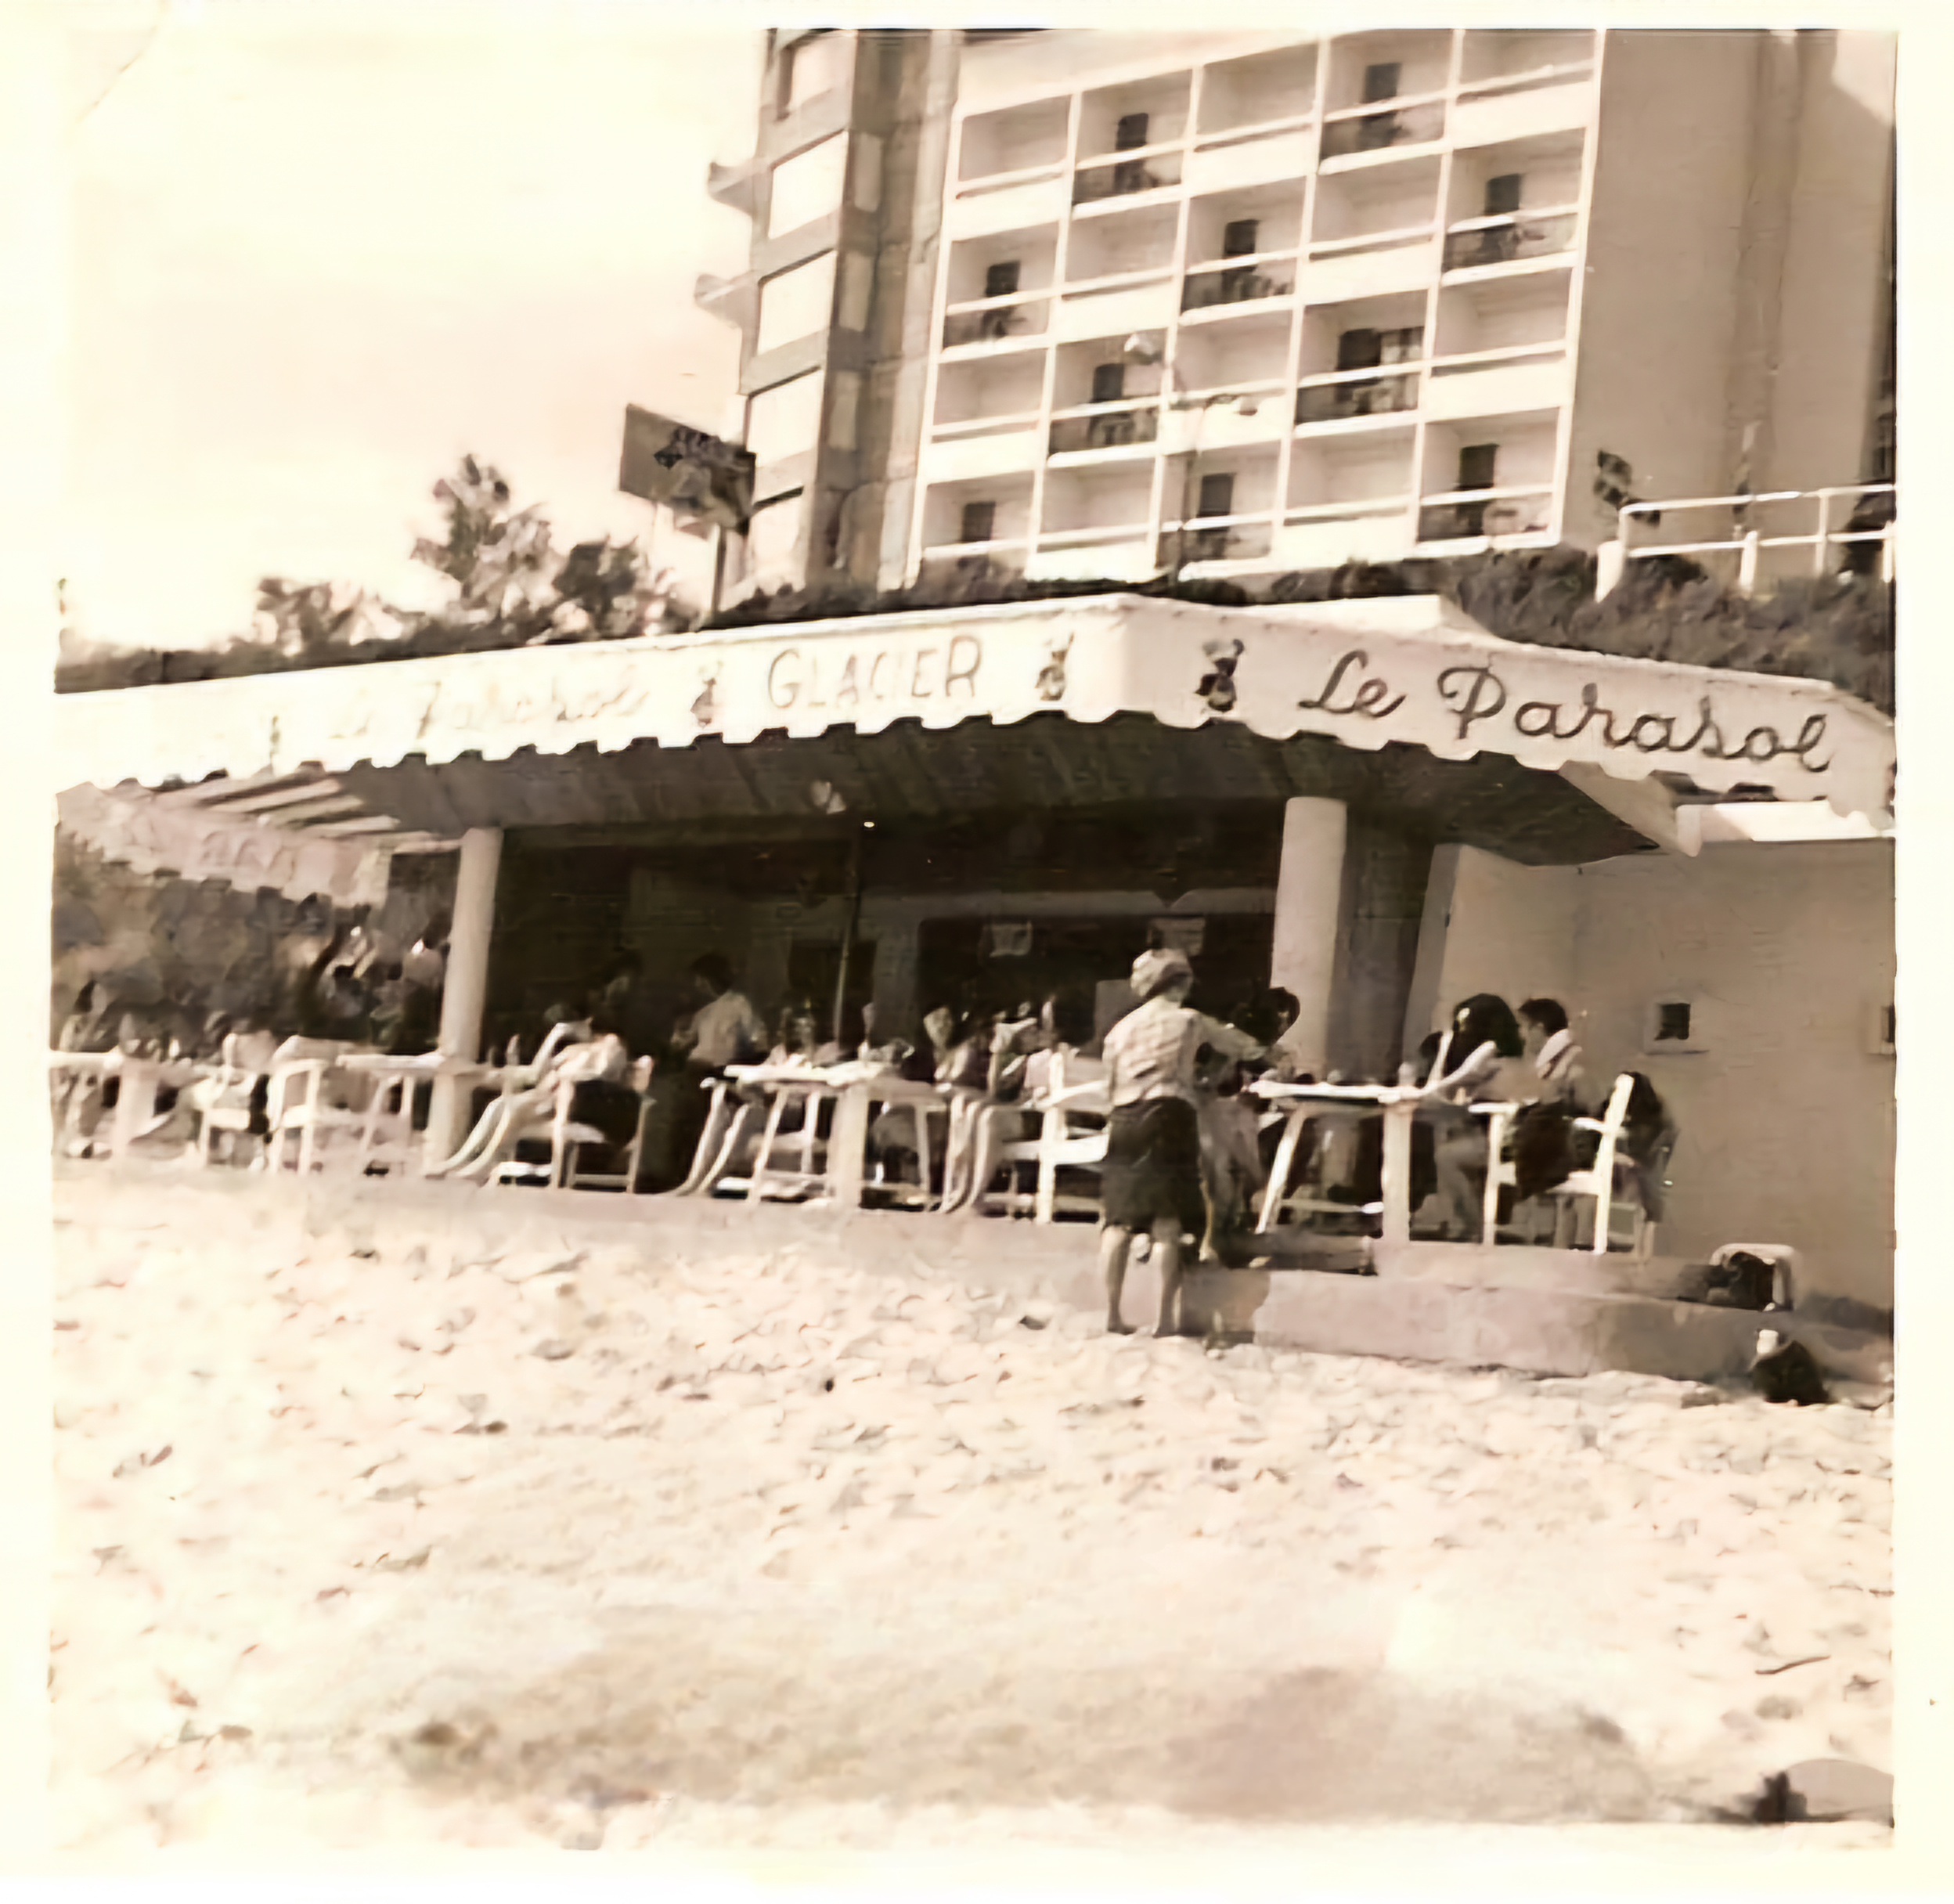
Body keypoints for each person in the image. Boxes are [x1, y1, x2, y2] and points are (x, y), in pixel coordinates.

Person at [1098, 948, 1264, 1336]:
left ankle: (1111, 1315)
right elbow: (1242, 1046)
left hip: (1123, 1120)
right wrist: (1268, 1051)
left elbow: (1110, 1087)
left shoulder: (1118, 1031)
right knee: (1166, 1224)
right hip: (1167, 1117)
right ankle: (1163, 1320)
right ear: (1181, 983)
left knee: (1117, 1224)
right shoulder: (1188, 1020)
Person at [1415, 994, 1536, 1240]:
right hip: (1508, 1137)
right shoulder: (1510, 1053)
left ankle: (1470, 1226)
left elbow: (1439, 1089)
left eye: (1465, 1024)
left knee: (1446, 1154)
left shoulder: (1488, 1053)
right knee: (1450, 1136)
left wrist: (1446, 1047)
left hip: (1505, 1142)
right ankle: (1463, 1221)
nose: (1461, 1032)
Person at [669, 953, 766, 1188]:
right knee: (681, 1119)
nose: (699, 986)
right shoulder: (703, 1013)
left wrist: (741, 1064)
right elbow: (680, 1044)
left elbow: (758, 1040)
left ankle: (702, 1176)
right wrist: (679, 1027)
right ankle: (681, 1175)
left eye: (702, 979)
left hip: (721, 1072)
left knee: (705, 1117)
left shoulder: (739, 1004)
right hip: (696, 1071)